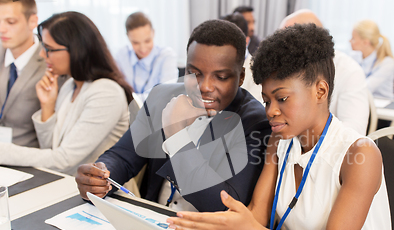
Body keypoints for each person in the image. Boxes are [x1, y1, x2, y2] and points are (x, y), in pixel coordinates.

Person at [126, 24, 394, 230]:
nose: (270, 111)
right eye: (266, 100)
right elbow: (252, 219)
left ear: (320, 91)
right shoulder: (278, 143)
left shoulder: (361, 155)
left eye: (282, 98)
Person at [76, 19, 271, 213]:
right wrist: (100, 176)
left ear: (241, 77)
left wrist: (176, 133)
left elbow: (225, 204)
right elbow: (123, 156)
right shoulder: (161, 97)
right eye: (194, 73)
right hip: (152, 221)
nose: (204, 87)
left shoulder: (255, 123)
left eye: (220, 77)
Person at [0, 12, 132, 176]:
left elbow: (63, 161)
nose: (42, 55)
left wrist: (3, 151)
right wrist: (47, 106)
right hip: (68, 185)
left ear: (77, 50)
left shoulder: (106, 92)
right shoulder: (70, 86)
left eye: (49, 49)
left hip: (102, 195)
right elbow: (51, 149)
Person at [243, 9, 369, 135]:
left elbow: (354, 129)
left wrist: (309, 141)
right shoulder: (279, 69)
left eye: (286, 44)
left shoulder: (349, 71)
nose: (279, 51)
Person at [0, 0, 46, 147]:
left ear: (33, 21)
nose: (1, 29)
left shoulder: (50, 64)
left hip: (28, 161)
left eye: (10, 22)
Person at [114, 12, 178, 102]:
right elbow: (116, 92)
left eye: (147, 41)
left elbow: (164, 96)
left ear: (153, 33)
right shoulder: (121, 56)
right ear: (128, 37)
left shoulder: (166, 56)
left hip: (156, 113)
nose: (143, 48)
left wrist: (130, 100)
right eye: (135, 43)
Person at [350, 20, 394, 100]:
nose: (350, 41)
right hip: (362, 101)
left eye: (353, 38)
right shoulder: (354, 57)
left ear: (365, 42)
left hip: (382, 107)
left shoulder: (387, 63)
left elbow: (366, 88)